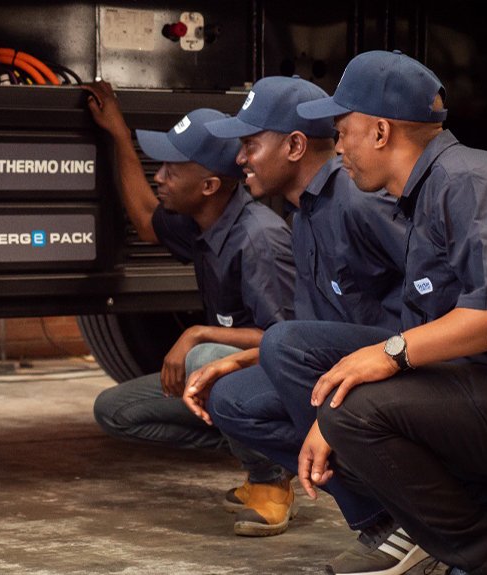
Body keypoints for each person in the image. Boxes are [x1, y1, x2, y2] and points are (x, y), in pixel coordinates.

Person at [265, 49, 487, 575]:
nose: (338, 146)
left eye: (343, 130)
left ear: (381, 132)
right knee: (303, 357)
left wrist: (389, 355)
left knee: (357, 412)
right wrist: (332, 414)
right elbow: (434, 335)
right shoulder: (424, 196)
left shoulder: (477, 181)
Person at [183, 75, 421, 575]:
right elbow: (316, 324)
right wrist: (239, 359)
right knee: (233, 398)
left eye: (250, 144)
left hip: (403, 365)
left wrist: (405, 359)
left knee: (284, 344)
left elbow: (438, 283)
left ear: (293, 145)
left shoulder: (357, 200)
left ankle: (406, 516)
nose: (240, 159)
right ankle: (389, 516)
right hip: (346, 364)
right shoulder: (305, 213)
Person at [82, 81, 298, 535]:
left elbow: (284, 344)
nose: (160, 177)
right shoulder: (203, 218)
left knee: (203, 357)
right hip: (235, 383)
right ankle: (255, 443)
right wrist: (118, 133)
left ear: (209, 185)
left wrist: (196, 333)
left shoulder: (260, 238)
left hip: (273, 382)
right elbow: (144, 220)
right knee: (115, 410)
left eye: (171, 170)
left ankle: (271, 480)